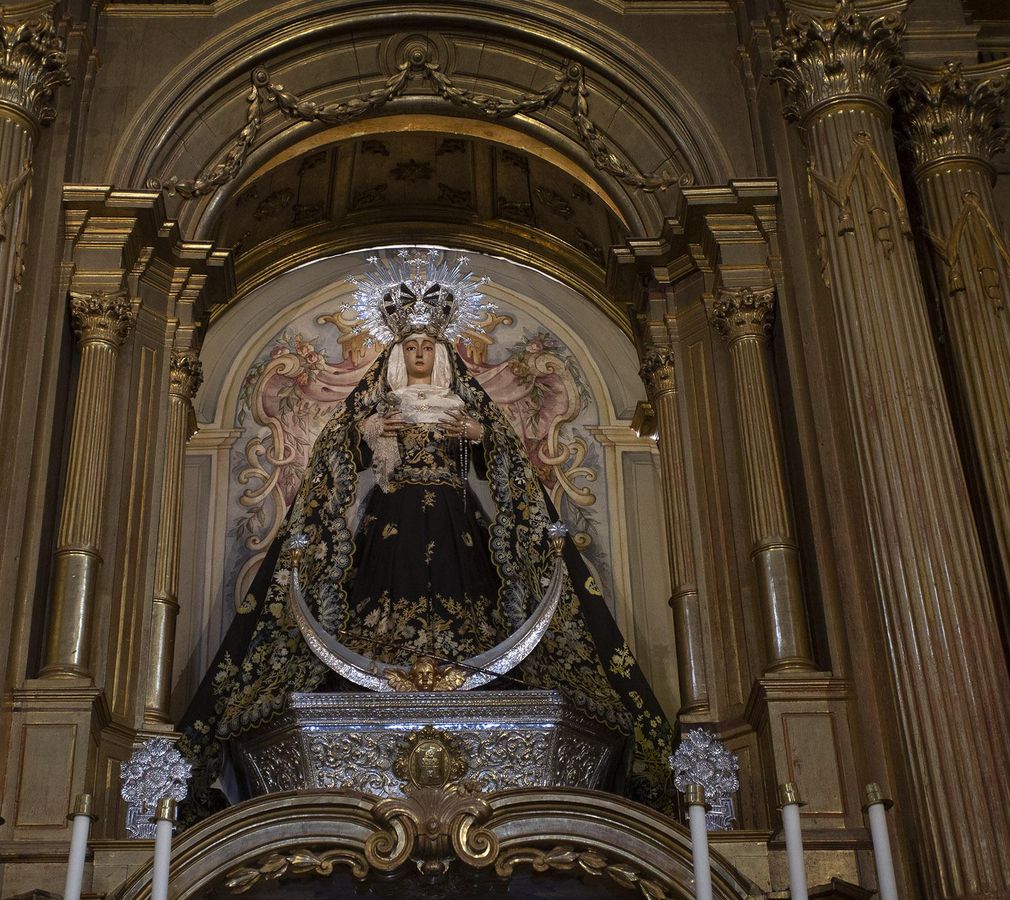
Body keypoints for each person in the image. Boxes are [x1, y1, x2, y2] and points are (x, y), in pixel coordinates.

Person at [175, 251, 674, 821]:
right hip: (394, 512)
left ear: (440, 354)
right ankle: (385, 658)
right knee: (391, 576)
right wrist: (368, 430)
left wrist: (479, 433)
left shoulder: (462, 404)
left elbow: (504, 464)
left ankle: (469, 659)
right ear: (396, 352)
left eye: (427, 347)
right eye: (409, 346)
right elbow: (336, 458)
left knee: (466, 581)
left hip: (456, 514)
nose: (417, 354)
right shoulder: (380, 401)